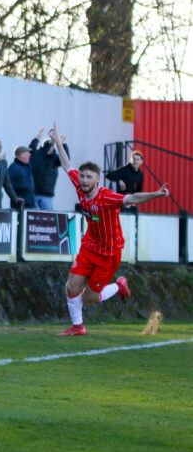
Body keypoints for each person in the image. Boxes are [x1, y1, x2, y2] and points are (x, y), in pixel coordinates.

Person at [47, 123, 170, 336]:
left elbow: (133, 197)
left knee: (89, 298)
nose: (84, 180)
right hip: (89, 245)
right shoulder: (78, 184)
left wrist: (156, 194)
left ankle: (119, 286)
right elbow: (67, 164)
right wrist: (57, 141)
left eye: (89, 177)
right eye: (83, 176)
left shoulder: (107, 197)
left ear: (97, 180)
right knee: (71, 287)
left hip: (108, 252)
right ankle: (78, 327)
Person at [29, 127, 68, 210]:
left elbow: (66, 159)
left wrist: (63, 143)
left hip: (47, 194)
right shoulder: (37, 156)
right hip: (34, 192)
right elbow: (31, 150)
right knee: (31, 215)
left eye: (51, 146)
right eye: (48, 146)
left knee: (48, 217)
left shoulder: (55, 158)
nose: (50, 148)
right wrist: (37, 138)